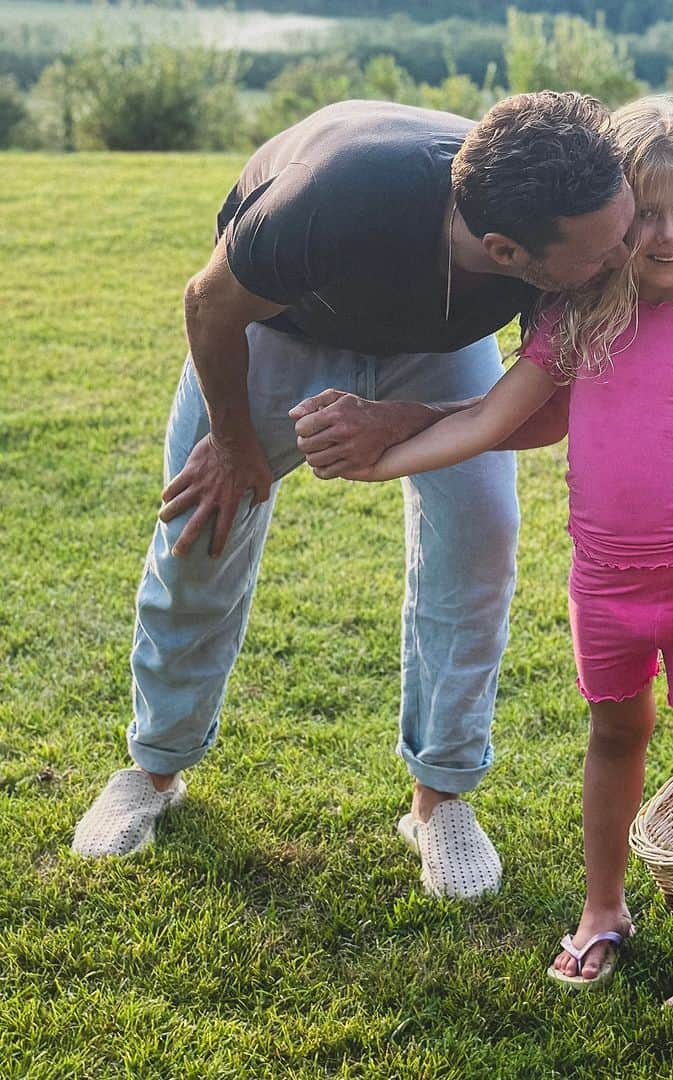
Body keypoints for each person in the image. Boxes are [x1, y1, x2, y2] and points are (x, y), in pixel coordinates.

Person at [71, 92, 635, 902]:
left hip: (439, 351)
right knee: (203, 530)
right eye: (604, 250)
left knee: (481, 532)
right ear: (507, 251)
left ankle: (439, 799)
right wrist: (233, 448)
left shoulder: (578, 227)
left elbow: (548, 412)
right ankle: (154, 769)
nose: (626, 255)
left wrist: (401, 419)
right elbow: (210, 302)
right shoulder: (340, 197)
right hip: (284, 329)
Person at [342, 96, 673, 999]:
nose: (668, 234)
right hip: (609, 590)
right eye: (649, 212)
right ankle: (603, 908)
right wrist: (380, 458)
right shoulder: (577, 325)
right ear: (619, 219)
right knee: (616, 733)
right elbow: (490, 417)